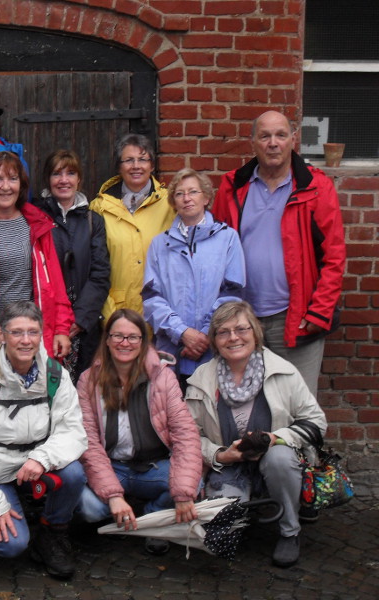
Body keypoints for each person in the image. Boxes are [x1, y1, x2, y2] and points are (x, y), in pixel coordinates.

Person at [213, 110, 346, 397]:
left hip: (296, 317)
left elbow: (334, 256)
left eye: (280, 135)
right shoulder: (233, 187)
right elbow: (216, 251)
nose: (273, 143)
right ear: (253, 142)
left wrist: (319, 311)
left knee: (296, 405)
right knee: (245, 405)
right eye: (265, 136)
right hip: (242, 319)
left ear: (293, 140)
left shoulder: (315, 187)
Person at [185, 301, 327, 568]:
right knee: (219, 541)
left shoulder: (282, 372)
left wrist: (276, 439)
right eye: (223, 332)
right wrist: (219, 454)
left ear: (255, 332)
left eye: (241, 329)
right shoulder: (202, 379)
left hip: (276, 465)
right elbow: (187, 437)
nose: (234, 337)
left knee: (279, 458)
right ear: (215, 340)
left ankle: (289, 530)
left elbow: (316, 422)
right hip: (228, 467)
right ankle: (244, 511)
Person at [0, 301, 88, 579]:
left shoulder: (55, 375)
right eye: (16, 332)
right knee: (10, 546)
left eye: (33, 332)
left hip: (33, 466)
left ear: (41, 334)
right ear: (1, 335)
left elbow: (73, 431)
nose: (26, 341)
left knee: (73, 474)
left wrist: (42, 458)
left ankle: (51, 535)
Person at [76, 309, 202, 556]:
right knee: (90, 508)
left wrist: (184, 493)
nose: (125, 343)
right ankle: (118, 509)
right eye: (118, 336)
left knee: (193, 483)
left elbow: (185, 434)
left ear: (144, 342)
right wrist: (112, 495)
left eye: (133, 337)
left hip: (153, 466)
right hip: (112, 466)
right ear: (108, 340)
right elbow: (88, 442)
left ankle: (152, 517)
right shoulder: (88, 380)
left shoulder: (163, 378)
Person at [0, 151, 73, 373]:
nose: (5, 186)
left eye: (12, 179)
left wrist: (61, 329)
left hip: (32, 336)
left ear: (22, 184)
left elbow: (55, 285)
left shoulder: (37, 224)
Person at [142, 168, 246, 390]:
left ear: (206, 197)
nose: (186, 198)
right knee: (171, 418)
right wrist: (182, 333)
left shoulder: (227, 238)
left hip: (216, 348)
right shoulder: (159, 244)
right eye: (179, 194)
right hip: (171, 352)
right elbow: (152, 298)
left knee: (211, 418)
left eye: (193, 192)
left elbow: (232, 293)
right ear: (173, 202)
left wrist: (205, 335)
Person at [32, 149, 110, 382]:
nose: (64, 180)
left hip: (82, 324)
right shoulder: (35, 216)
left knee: (82, 389)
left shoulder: (92, 220)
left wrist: (79, 319)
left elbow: (100, 273)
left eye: (70, 173)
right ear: (48, 179)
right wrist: (57, 321)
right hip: (46, 319)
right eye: (57, 174)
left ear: (79, 179)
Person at [90, 133, 175, 319]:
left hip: (161, 314)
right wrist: (110, 316)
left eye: (142, 159)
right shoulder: (99, 207)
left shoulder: (171, 204)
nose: (136, 166)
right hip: (114, 313)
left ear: (152, 166)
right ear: (119, 167)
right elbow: (93, 268)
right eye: (129, 160)